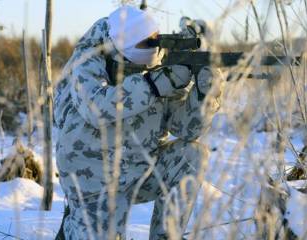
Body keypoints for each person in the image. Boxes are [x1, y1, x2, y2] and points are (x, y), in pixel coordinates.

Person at [54, 5, 223, 240]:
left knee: (192, 154)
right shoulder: (87, 62)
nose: (154, 47)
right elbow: (96, 108)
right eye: (147, 42)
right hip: (93, 180)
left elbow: (185, 129)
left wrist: (204, 95)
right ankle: (75, 223)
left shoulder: (158, 64)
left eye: (156, 41)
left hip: (138, 169)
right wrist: (156, 84)